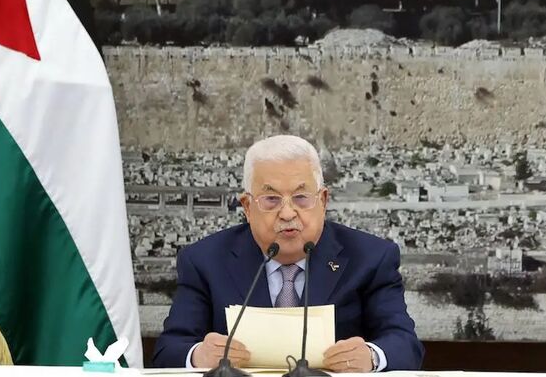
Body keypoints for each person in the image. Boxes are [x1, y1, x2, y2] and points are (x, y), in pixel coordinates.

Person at [152, 135, 423, 371]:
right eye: (271, 199)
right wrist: (199, 355)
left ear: (323, 201)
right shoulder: (205, 261)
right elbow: (169, 351)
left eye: (301, 197)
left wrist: (371, 357)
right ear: (247, 206)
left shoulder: (371, 258)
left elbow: (404, 344)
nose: (287, 213)